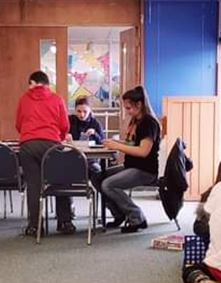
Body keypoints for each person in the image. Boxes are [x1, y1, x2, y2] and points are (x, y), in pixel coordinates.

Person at [15, 70, 75, 236]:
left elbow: (18, 124)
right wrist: (59, 138)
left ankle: (35, 225)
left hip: (28, 145)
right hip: (51, 144)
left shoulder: (23, 99)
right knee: (60, 180)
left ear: (33, 83)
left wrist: (28, 134)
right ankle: (65, 222)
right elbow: (65, 125)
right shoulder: (57, 99)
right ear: (47, 84)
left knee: (34, 185)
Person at [98, 86, 161, 233]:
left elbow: (143, 151)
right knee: (97, 177)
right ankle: (119, 213)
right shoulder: (135, 120)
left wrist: (117, 146)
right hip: (131, 166)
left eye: (128, 108)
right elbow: (132, 143)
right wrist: (115, 143)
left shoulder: (148, 123)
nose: (127, 111)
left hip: (145, 170)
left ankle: (136, 217)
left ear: (139, 105)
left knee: (108, 184)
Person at [68, 96, 105, 174]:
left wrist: (94, 133)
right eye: (79, 111)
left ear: (90, 110)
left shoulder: (95, 123)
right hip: (71, 155)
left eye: (85, 111)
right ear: (75, 110)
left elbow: (103, 142)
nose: (82, 115)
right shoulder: (70, 120)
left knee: (96, 169)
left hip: (90, 158)